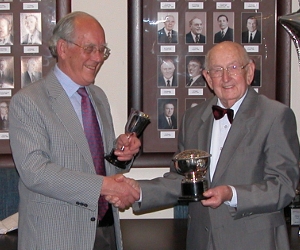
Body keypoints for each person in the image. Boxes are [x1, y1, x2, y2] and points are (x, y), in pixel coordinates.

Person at [109, 41, 300, 250]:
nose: (226, 78)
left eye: (234, 67)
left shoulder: (275, 116)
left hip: (256, 242)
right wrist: (140, 191)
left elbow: (284, 186)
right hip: (202, 241)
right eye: (217, 70)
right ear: (208, 78)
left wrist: (232, 194)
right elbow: (182, 180)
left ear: (250, 71)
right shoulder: (192, 118)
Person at [9, 11, 141, 250]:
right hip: (56, 239)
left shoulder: (98, 97)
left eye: (103, 50)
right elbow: (35, 172)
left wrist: (122, 154)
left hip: (106, 233)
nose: (98, 58)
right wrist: (105, 185)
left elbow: (103, 167)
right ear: (62, 48)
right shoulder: (29, 102)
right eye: (89, 48)